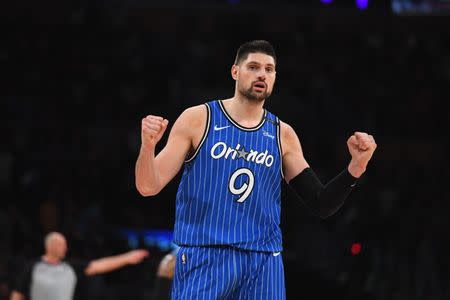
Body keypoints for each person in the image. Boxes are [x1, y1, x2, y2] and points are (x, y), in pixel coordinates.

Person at [135, 40, 377, 299]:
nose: (262, 74)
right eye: (253, 67)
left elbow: (321, 203)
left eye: (269, 69)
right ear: (235, 72)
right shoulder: (198, 118)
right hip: (205, 255)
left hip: (263, 262)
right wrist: (148, 147)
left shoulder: (282, 134)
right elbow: (148, 186)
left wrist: (356, 166)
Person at [10, 232, 149, 300]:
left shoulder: (71, 267)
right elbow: (17, 294)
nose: (65, 247)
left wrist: (126, 258)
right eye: (61, 244)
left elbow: (98, 265)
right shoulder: (33, 266)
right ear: (50, 246)